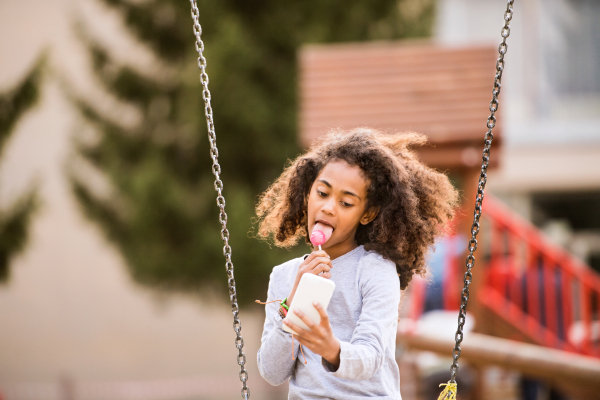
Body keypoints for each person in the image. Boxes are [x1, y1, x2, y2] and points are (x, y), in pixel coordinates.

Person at [254, 128, 459, 399]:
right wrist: (291, 304)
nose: (328, 207)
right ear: (307, 194)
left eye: (346, 202)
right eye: (322, 193)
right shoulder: (284, 276)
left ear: (367, 214)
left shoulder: (375, 269)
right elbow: (272, 371)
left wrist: (331, 348)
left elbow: (371, 356)